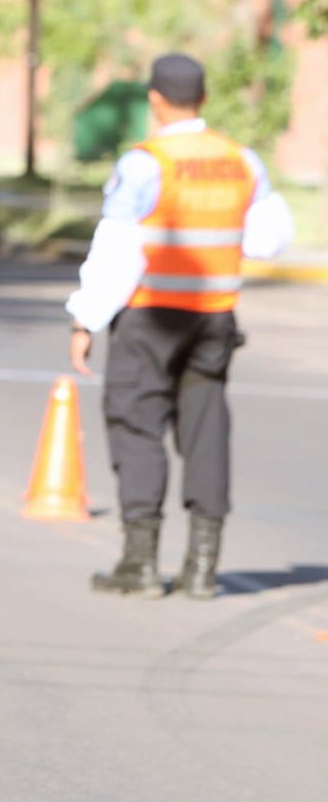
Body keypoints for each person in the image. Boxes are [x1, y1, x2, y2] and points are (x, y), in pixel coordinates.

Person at [68, 53, 294, 599]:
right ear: (205, 99)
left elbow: (116, 248)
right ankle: (201, 568)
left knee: (136, 425)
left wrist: (86, 318)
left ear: (155, 99)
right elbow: (270, 238)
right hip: (213, 319)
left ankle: (140, 564)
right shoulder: (241, 160)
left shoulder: (146, 163)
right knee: (206, 431)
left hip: (149, 318)